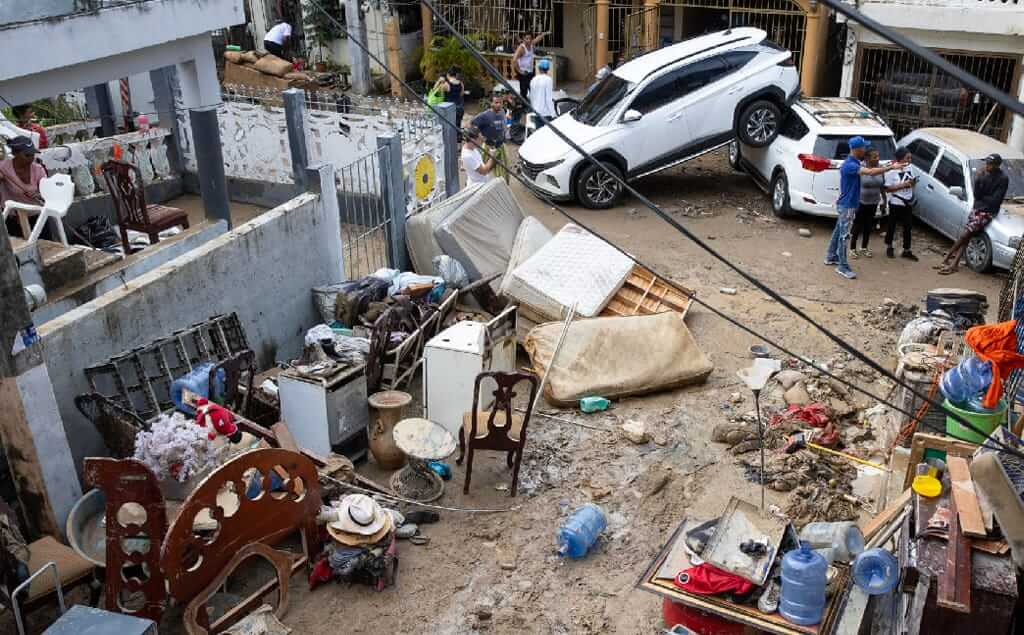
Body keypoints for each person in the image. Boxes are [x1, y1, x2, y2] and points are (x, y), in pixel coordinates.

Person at [824, 136, 907, 279]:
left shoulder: (854, 162)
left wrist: (889, 165)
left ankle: (831, 256)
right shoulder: (851, 165)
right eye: (863, 147)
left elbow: (873, 168)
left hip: (847, 204)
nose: (865, 150)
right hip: (848, 205)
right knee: (844, 235)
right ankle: (842, 266)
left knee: (839, 231)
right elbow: (870, 172)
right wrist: (892, 167)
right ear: (857, 149)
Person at [936, 153, 1010, 275]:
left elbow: (995, 200)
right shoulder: (984, 175)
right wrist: (978, 179)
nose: (987, 166)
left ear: (997, 165)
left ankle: (948, 259)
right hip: (977, 208)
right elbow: (977, 195)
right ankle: (952, 263)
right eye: (986, 163)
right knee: (967, 236)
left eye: (990, 164)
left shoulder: (1003, 179)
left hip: (987, 212)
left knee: (965, 235)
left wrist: (983, 199)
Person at [0, 136, 47, 238]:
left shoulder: (38, 169)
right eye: (27, 155)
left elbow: (48, 194)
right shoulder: (3, 168)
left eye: (32, 154)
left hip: (36, 216)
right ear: (14, 154)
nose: (31, 158)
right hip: (12, 218)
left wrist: (39, 194)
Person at [883, 146, 919, 260]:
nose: (909, 160)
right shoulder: (891, 170)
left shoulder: (910, 167)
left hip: (907, 202)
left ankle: (906, 250)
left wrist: (912, 183)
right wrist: (903, 185)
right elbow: (887, 189)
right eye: (907, 158)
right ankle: (889, 247)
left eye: (910, 158)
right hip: (896, 202)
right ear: (901, 158)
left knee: (908, 227)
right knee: (892, 226)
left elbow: (912, 182)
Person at [849, 147, 884, 259]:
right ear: (867, 158)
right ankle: (852, 248)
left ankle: (864, 247)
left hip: (874, 202)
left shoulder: (880, 168)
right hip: (861, 202)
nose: (878, 159)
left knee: (868, 225)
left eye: (878, 156)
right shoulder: (861, 168)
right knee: (857, 225)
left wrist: (884, 200)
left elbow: (882, 186)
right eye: (875, 157)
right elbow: (853, 185)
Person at [512, 31, 549, 99]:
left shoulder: (531, 44)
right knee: (524, 91)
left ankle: (532, 105)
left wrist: (542, 34)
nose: (528, 40)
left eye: (530, 38)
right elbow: (514, 59)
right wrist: (519, 71)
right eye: (526, 38)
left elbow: (537, 39)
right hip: (524, 72)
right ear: (523, 39)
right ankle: (523, 106)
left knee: (533, 89)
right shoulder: (521, 48)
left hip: (530, 71)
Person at [529, 59, 555, 126]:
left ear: (539, 68)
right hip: (546, 114)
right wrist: (553, 114)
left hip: (536, 112)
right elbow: (548, 99)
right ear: (548, 69)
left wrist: (533, 108)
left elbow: (531, 96)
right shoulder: (548, 80)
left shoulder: (533, 79)